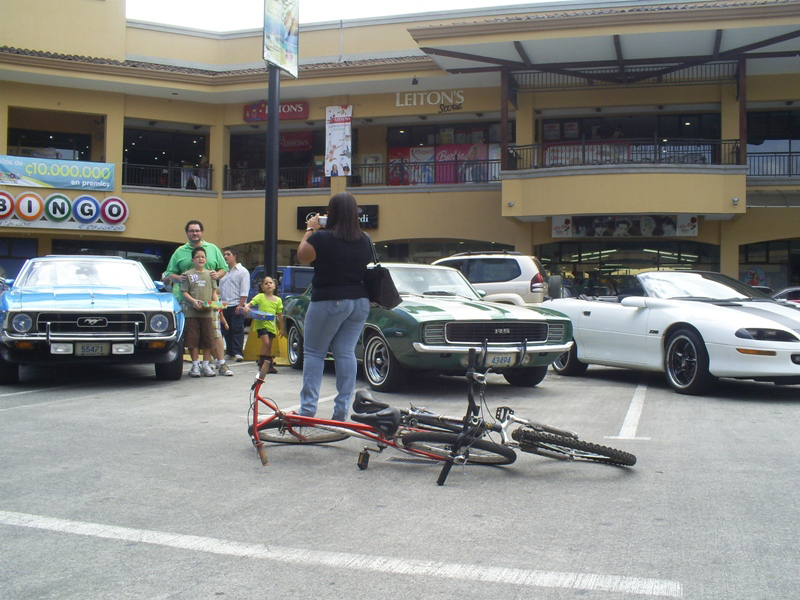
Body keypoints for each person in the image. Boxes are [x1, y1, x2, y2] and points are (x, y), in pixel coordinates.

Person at [295, 192, 372, 421]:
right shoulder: (365, 238)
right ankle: (341, 413)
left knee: (314, 353)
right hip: (359, 301)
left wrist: (310, 229)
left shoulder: (321, 238)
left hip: (329, 300)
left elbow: (302, 256)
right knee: (346, 353)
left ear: (332, 213)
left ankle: (308, 410)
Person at [180, 247, 219, 378]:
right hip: (192, 313)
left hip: (207, 313)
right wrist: (193, 301)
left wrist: (217, 304)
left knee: (208, 339)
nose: (200, 259)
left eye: (203, 257)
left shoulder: (210, 274)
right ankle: (195, 365)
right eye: (197, 257)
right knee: (192, 339)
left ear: (206, 259)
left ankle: (206, 364)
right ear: (192, 260)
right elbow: (184, 291)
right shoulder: (188, 274)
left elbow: (214, 291)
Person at [245, 276, 285, 379]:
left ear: (275, 286)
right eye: (266, 283)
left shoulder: (278, 300)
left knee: (270, 345)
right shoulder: (260, 296)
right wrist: (246, 307)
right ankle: (262, 363)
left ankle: (269, 365)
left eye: (270, 283)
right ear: (262, 287)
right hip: (261, 324)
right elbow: (250, 304)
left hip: (271, 325)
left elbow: (279, 314)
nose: (268, 285)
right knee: (266, 343)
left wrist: (282, 328)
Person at [219, 247, 249, 362]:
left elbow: (244, 289)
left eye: (228, 254)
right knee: (226, 329)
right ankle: (229, 351)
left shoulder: (243, 271)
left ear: (235, 256)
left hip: (237, 304)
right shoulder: (223, 271)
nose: (226, 256)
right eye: (224, 255)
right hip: (224, 304)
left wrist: (241, 305)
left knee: (237, 329)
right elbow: (220, 289)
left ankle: (238, 352)